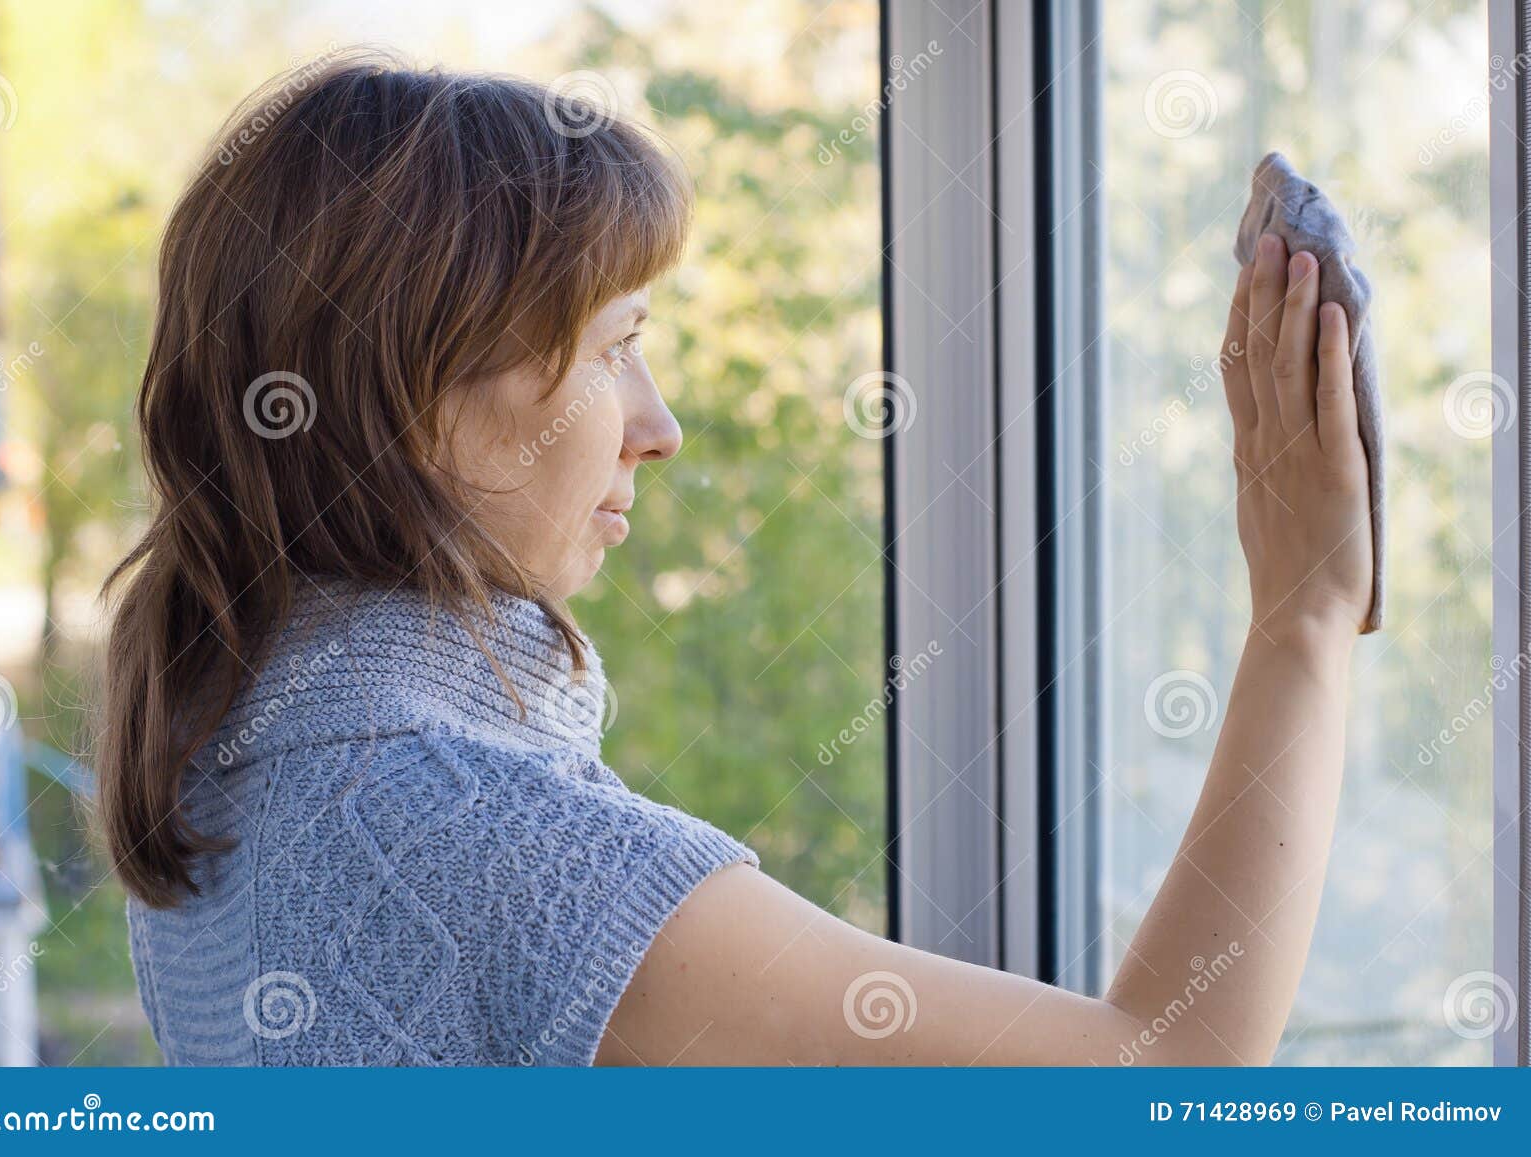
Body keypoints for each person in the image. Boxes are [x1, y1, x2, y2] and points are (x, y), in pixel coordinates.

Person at [100, 53, 1372, 1066]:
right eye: (614, 348)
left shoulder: (226, 757)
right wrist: (1299, 614)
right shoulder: (491, 844)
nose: (658, 427)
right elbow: (1167, 1076)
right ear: (419, 402)